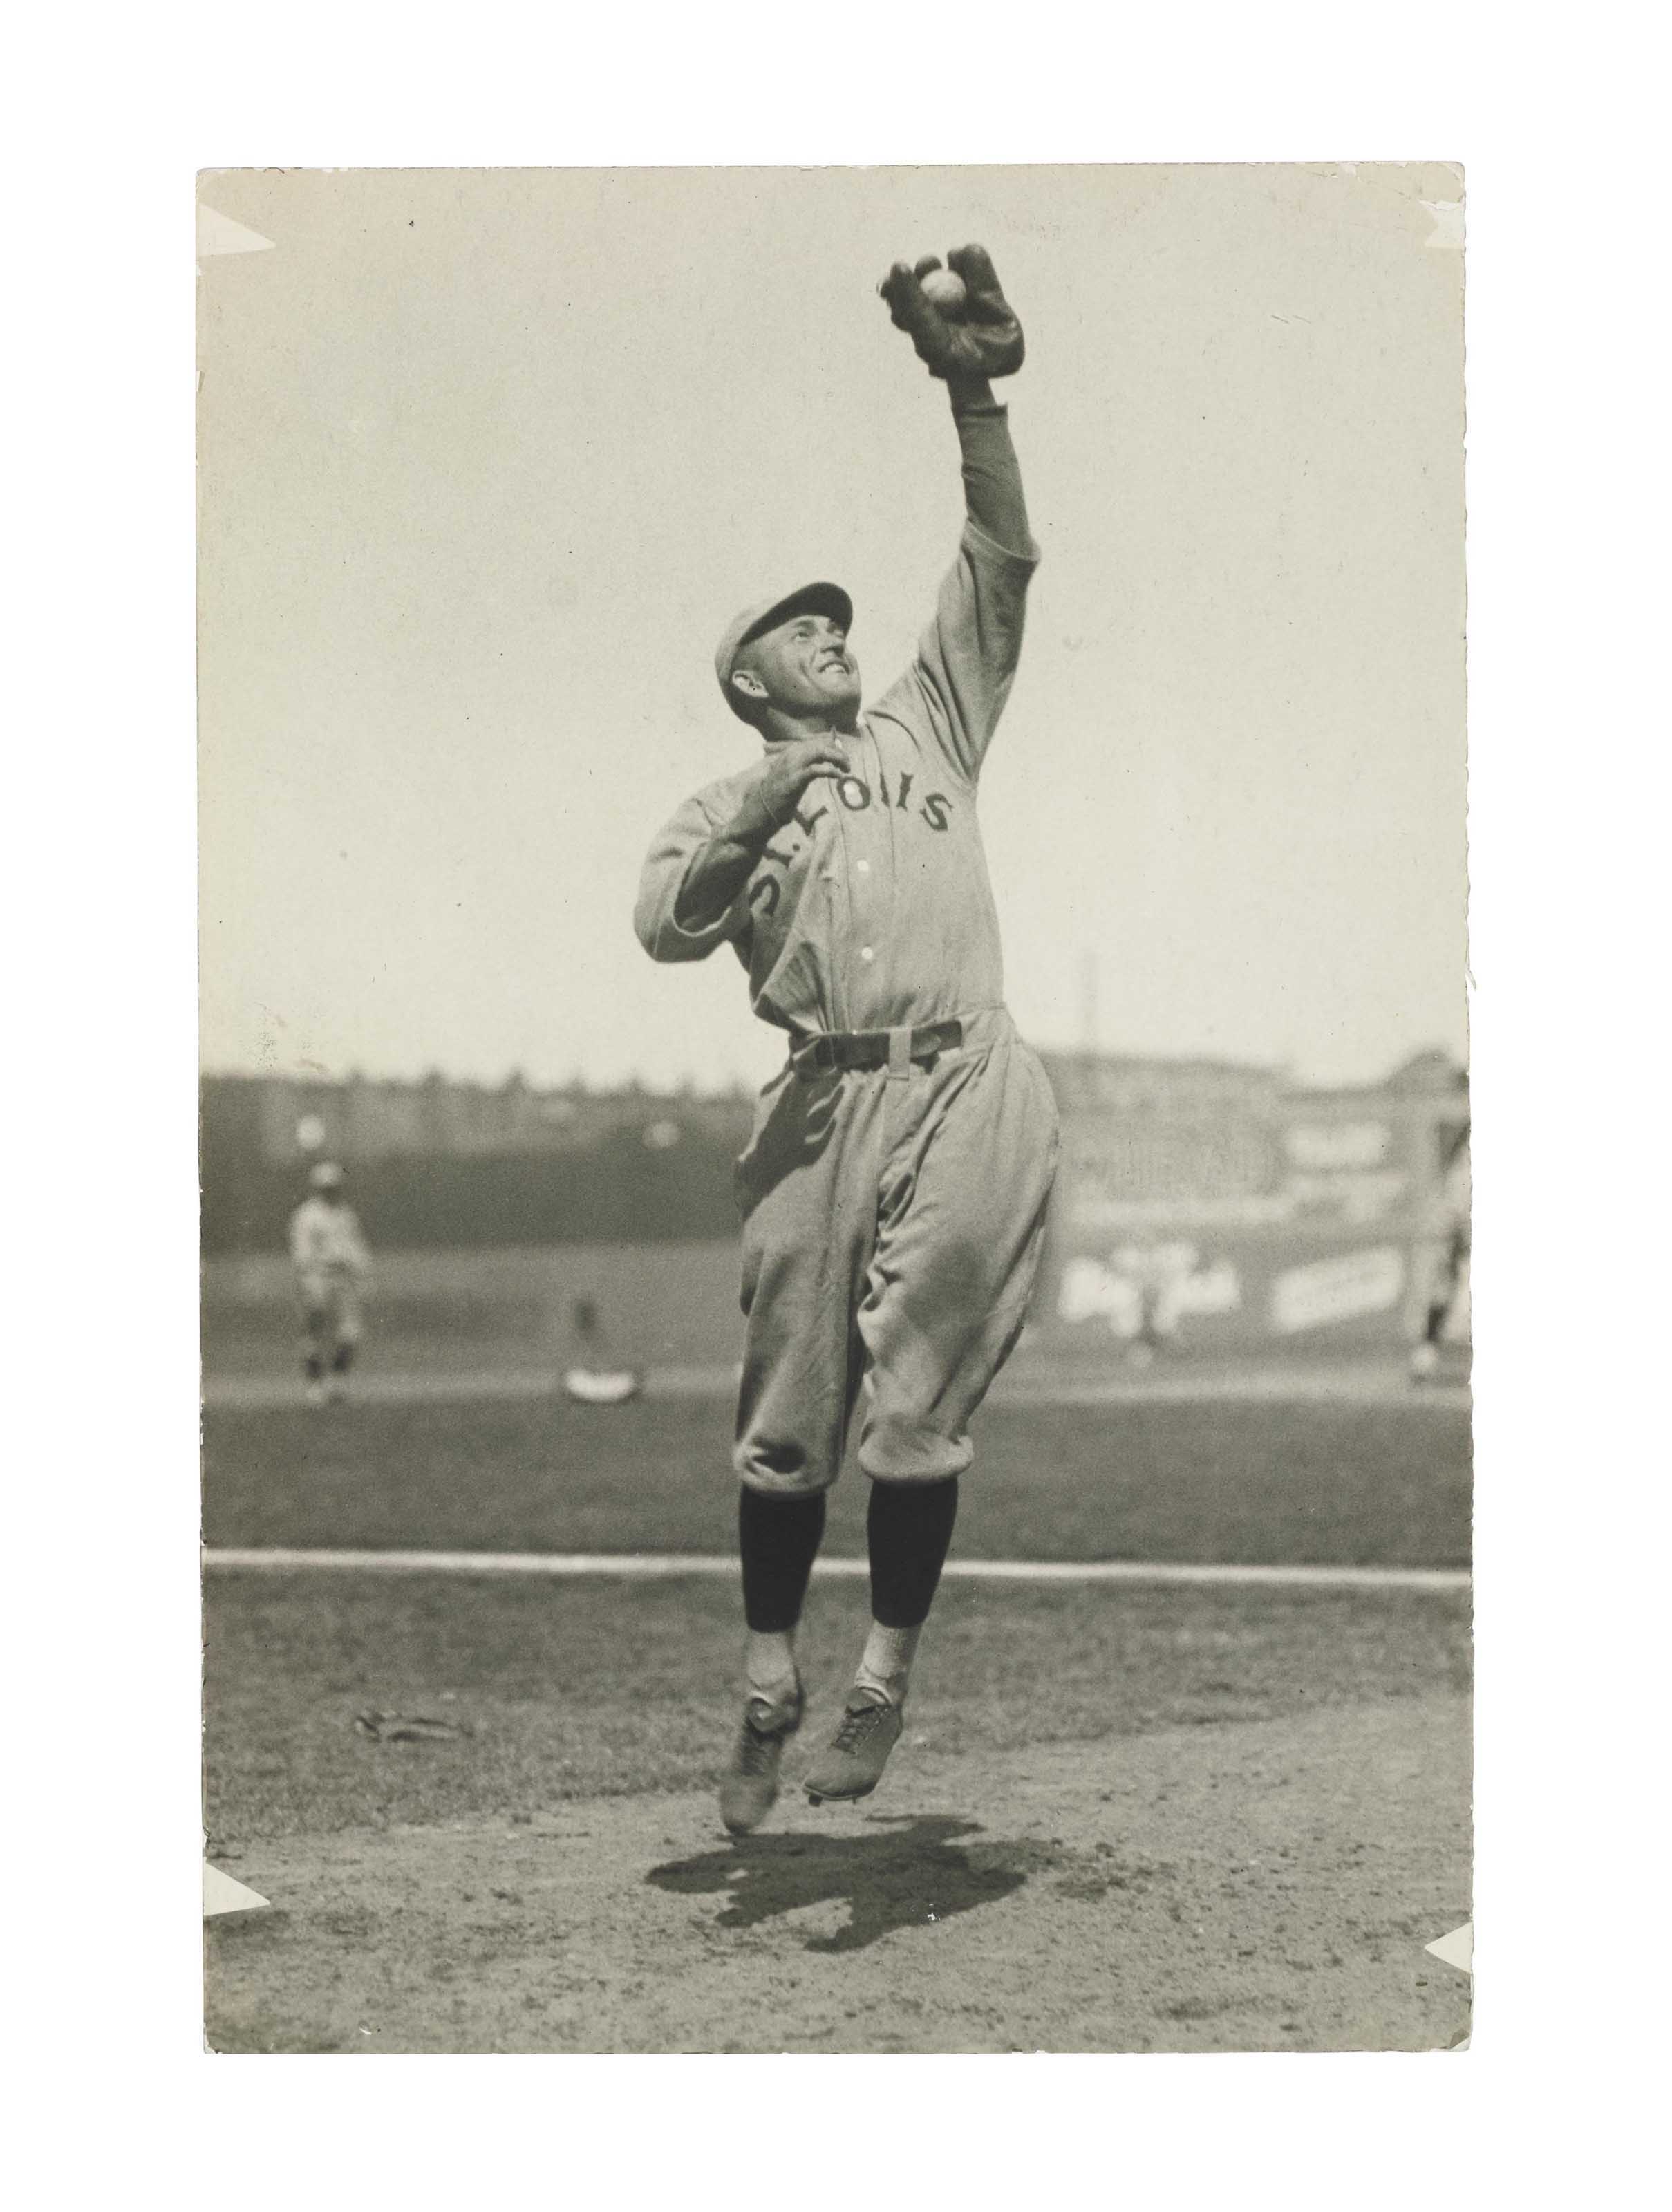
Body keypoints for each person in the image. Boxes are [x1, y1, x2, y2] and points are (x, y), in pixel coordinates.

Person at [634, 247, 1060, 1833]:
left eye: (833, 620)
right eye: (793, 630)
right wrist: (758, 803)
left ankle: (879, 1673)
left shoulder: (925, 723)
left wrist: (974, 389)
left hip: (965, 1081)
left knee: (916, 1409)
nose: (827, 632)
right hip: (817, 1109)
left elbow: (1001, 559)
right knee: (783, 1436)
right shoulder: (727, 798)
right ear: (746, 680)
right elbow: (665, 922)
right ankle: (764, 1677)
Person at [288, 1160, 372, 1406]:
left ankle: (336, 1381)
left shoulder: (345, 1214)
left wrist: (363, 1274)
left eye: (334, 1186)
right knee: (314, 1332)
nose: (331, 1191)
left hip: (343, 1278)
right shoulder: (306, 1215)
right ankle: (315, 1384)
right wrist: (306, 1280)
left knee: (351, 1331)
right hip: (317, 1276)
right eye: (326, 1187)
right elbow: (301, 1252)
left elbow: (356, 1247)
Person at [1411, 1123, 1470, 1380]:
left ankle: (1426, 1352)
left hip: (1460, 1218)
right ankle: (1426, 1352)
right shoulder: (1463, 1152)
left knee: (1448, 1284)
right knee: (1445, 1284)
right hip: (1460, 1220)